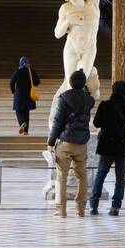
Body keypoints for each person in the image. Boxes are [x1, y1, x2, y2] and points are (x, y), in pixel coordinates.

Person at [48, 69, 96, 218]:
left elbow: (57, 122)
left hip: (66, 142)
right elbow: (87, 95)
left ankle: (61, 210)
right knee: (82, 176)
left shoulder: (64, 99)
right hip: (81, 143)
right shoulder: (89, 100)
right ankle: (80, 209)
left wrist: (51, 142)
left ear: (70, 82)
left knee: (62, 176)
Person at [89, 80, 125, 216]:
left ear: (113, 90)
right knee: (120, 177)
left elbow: (97, 123)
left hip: (107, 144)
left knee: (100, 174)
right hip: (121, 145)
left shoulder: (104, 105)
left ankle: (93, 205)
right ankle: (115, 206)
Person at [9, 57, 40, 134]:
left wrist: (13, 91)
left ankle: (22, 123)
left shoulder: (18, 71)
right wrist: (32, 84)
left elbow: (11, 83)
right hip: (29, 95)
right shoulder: (31, 71)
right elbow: (38, 82)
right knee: (26, 113)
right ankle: (26, 131)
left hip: (19, 95)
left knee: (18, 111)